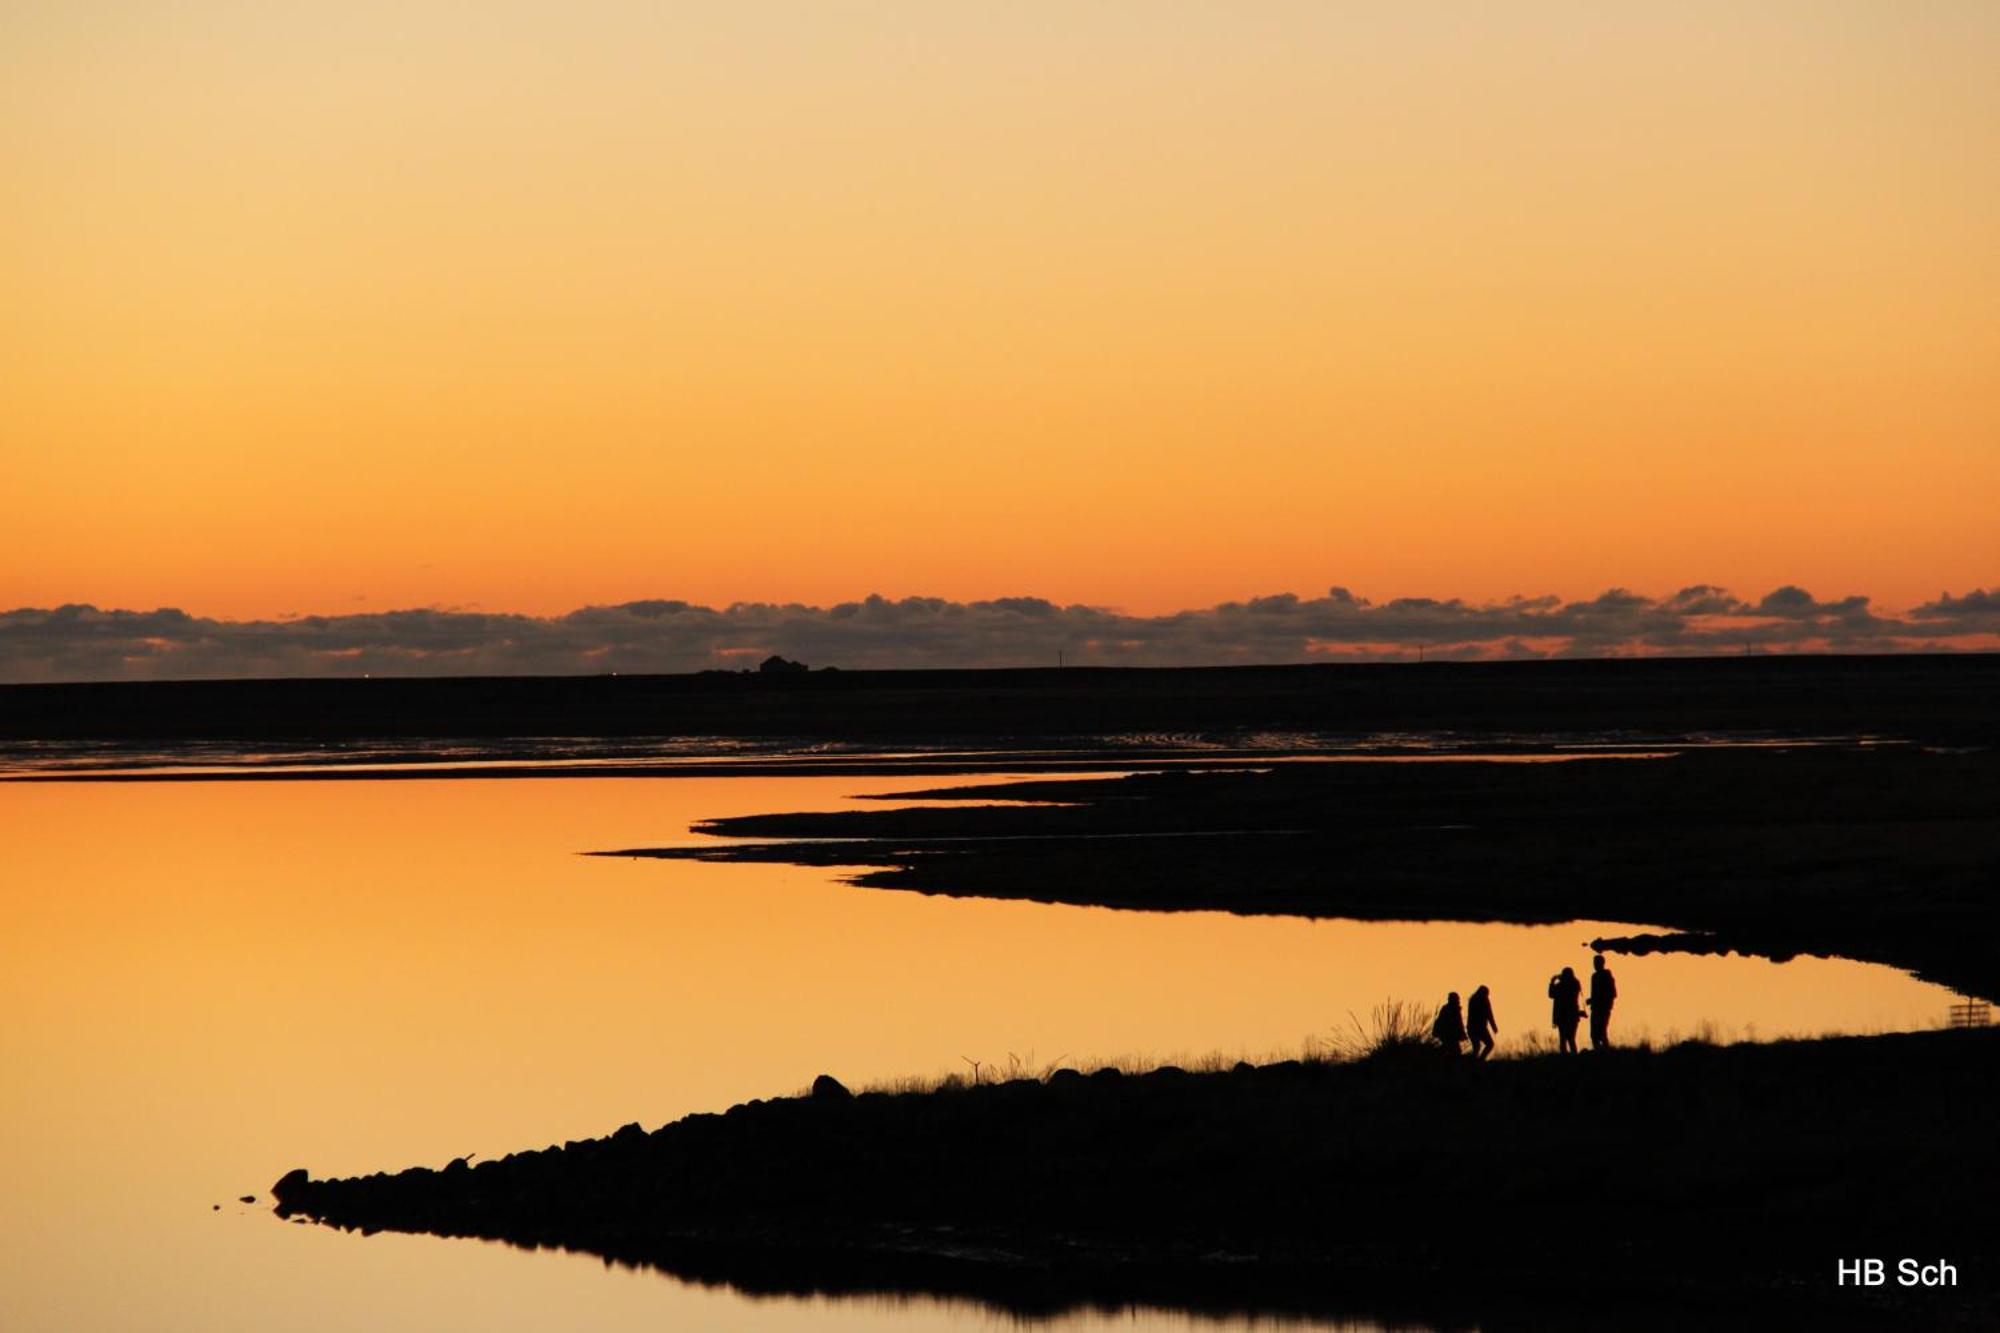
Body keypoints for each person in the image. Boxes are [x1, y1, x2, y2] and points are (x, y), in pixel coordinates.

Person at [1547, 966, 1584, 1054]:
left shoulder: (1562, 986)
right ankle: (1573, 1057)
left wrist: (1552, 982)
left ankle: (1567, 1058)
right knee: (1570, 1038)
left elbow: (1551, 994)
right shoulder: (1575, 984)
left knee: (1564, 1039)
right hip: (1572, 1015)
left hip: (1563, 1016)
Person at [1589, 953, 1618, 1050]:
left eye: (1596, 963)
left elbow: (1613, 994)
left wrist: (1600, 1001)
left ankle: (1606, 1053)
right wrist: (1592, 1000)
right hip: (1596, 1008)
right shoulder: (1594, 976)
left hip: (1603, 1009)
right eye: (1594, 963)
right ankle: (1599, 1053)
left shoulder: (1607, 976)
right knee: (1594, 1035)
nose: (1594, 965)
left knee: (1601, 1033)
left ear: (1602, 963)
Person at [1466, 984, 1498, 1060]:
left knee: (1477, 1046)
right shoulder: (1483, 1000)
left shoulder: (1473, 999)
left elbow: (1489, 1014)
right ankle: (1479, 1061)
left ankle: (1476, 1061)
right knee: (1488, 1044)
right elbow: (1489, 1014)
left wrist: (1493, 1027)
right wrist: (1494, 1027)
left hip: (1472, 1027)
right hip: (1479, 1027)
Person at [1431, 991, 1467, 1056]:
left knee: (1447, 1048)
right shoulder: (1453, 1009)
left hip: (1447, 1034)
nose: (1458, 1000)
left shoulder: (1447, 1008)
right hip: (1449, 1034)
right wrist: (1462, 1033)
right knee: (1455, 1051)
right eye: (1457, 999)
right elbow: (1458, 1023)